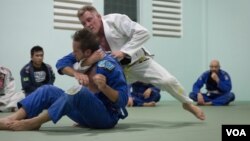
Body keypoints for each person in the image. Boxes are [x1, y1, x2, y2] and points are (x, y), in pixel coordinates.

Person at [56, 6, 205, 120]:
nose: (88, 24)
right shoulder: (88, 39)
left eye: (90, 19)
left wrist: (124, 51)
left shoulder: (115, 21)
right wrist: (90, 60)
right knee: (93, 85)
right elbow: (74, 61)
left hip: (138, 62)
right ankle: (87, 118)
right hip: (118, 72)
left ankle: (187, 103)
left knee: (168, 80)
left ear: (98, 16)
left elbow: (143, 32)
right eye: (84, 23)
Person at [0, 29, 128, 131]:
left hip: (105, 118)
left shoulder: (110, 66)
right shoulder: (84, 54)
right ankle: (12, 118)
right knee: (47, 90)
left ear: (88, 52)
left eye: (75, 52)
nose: (73, 54)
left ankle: (34, 122)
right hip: (85, 115)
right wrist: (76, 73)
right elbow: (61, 64)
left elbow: (123, 100)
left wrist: (105, 87)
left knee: (79, 92)